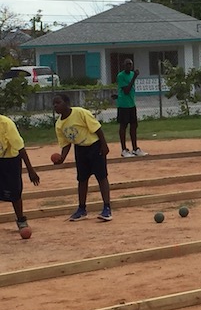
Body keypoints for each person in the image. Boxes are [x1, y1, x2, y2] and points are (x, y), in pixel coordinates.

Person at [52, 93, 113, 221]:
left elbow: (97, 128)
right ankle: (82, 209)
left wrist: (104, 145)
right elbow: (66, 143)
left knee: (101, 176)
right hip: (80, 149)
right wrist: (62, 158)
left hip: (94, 146)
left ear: (67, 103)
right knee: (82, 179)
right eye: (54, 104)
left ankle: (107, 208)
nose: (55, 106)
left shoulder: (80, 113)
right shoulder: (59, 125)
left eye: (58, 103)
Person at [0, 114, 40, 235]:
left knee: (15, 192)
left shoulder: (6, 123)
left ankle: (21, 219)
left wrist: (30, 170)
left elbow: (20, 148)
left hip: (10, 160)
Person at [116, 58, 147, 158]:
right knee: (123, 126)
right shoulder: (121, 76)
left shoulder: (131, 74)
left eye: (130, 64)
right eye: (127, 64)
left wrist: (133, 76)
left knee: (134, 125)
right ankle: (124, 149)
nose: (129, 66)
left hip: (131, 104)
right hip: (123, 105)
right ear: (123, 66)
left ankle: (135, 148)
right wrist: (134, 77)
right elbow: (126, 90)